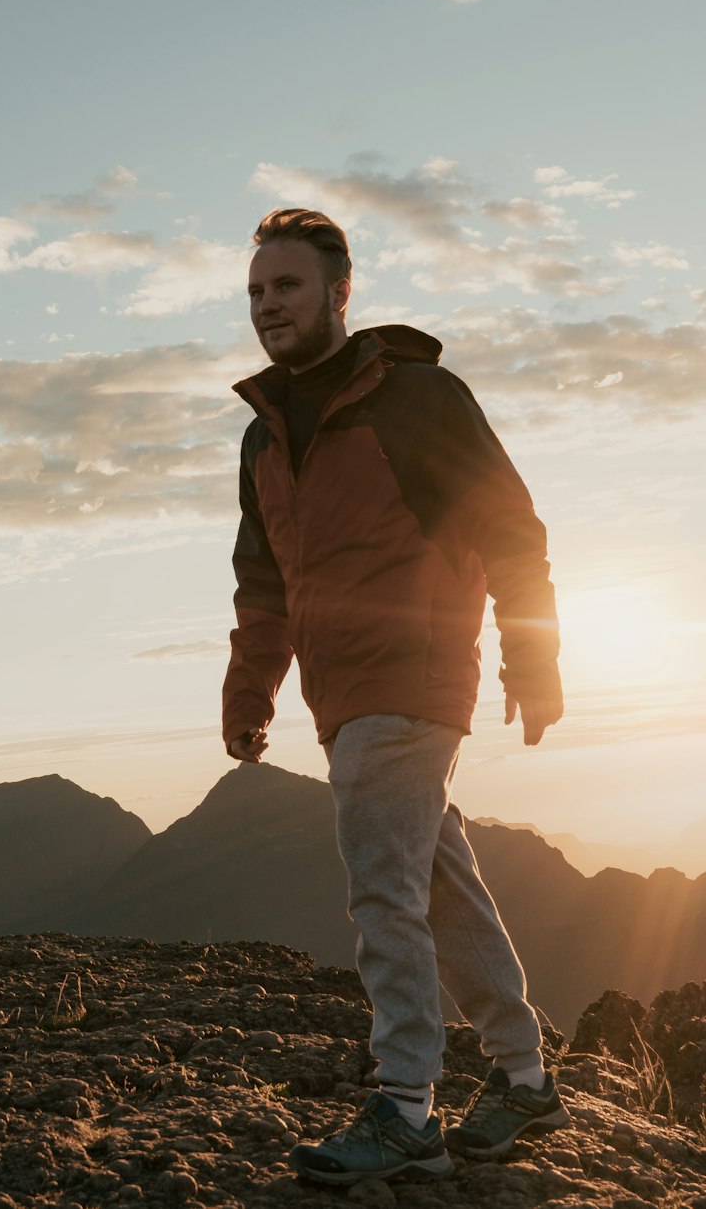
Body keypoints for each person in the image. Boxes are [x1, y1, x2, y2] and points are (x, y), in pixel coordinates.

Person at [221, 208, 569, 1185]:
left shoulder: (417, 399)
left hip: (414, 681)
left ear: (338, 293)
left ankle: (406, 1102)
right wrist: (251, 691)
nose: (266, 306)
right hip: (342, 698)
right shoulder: (263, 437)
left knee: (382, 883)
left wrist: (531, 661)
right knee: (430, 877)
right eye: (254, 291)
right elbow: (263, 583)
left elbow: (508, 527)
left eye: (285, 286)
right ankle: (524, 1076)